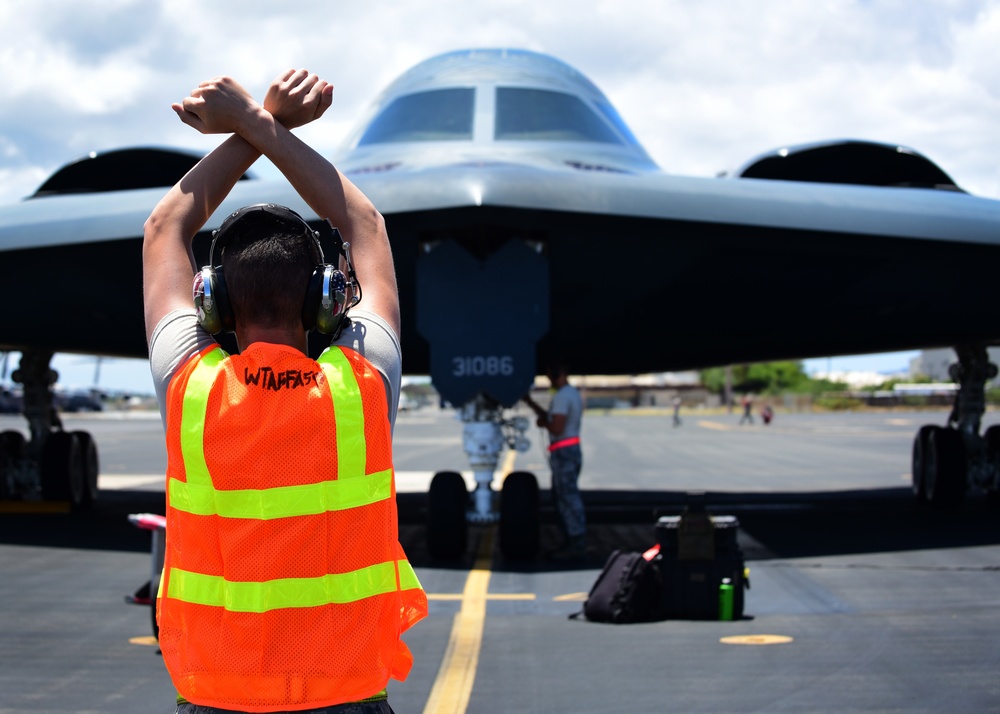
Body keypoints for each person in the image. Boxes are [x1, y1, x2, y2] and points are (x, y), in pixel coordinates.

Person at [143, 69, 426, 714]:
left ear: (210, 304)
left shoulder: (190, 384)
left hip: (216, 694)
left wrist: (247, 126)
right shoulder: (362, 383)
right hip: (346, 691)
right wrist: (265, 123)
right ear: (325, 303)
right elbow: (367, 228)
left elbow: (165, 229)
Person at [522, 362, 587, 558]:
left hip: (564, 452)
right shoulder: (571, 394)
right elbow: (553, 418)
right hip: (569, 450)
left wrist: (543, 423)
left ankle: (576, 540)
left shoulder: (562, 397)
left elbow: (557, 427)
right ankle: (572, 538)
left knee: (567, 497)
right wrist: (532, 404)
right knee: (565, 495)